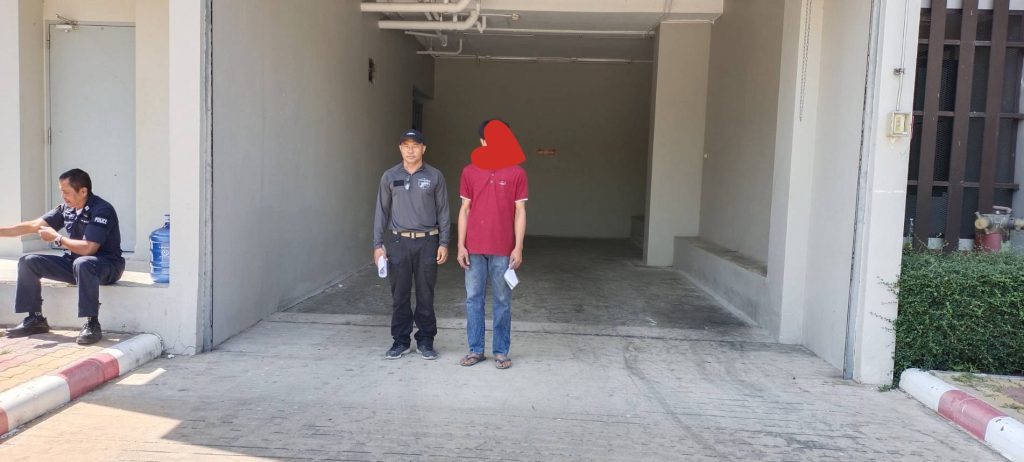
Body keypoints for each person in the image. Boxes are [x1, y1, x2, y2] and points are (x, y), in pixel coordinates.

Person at [0, 168, 124, 344]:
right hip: (75, 264)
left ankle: (92, 323)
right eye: (61, 191)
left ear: (83, 191)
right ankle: (35, 319)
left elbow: (89, 248)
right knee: (28, 262)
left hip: (107, 266)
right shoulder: (67, 209)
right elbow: (34, 226)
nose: (63, 196)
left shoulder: (102, 210)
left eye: (66, 192)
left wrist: (57, 239)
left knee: (83, 262)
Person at [373, 129, 451, 360]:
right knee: (400, 295)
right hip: (399, 242)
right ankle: (400, 341)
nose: (410, 150)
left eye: (415, 146)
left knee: (426, 295)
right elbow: (381, 211)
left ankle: (426, 341)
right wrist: (378, 244)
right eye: (406, 146)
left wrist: (444, 242)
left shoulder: (435, 176)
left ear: (423, 149)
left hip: (428, 242)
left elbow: (443, 211)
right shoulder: (389, 176)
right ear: (400, 148)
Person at [457, 119, 528, 370]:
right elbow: (465, 210)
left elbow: (520, 212)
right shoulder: (469, 171)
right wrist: (461, 245)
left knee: (502, 301)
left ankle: (501, 352)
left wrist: (518, 247)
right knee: (473, 299)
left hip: (503, 249)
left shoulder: (517, 173)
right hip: (474, 248)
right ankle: (475, 350)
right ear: (482, 141)